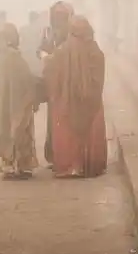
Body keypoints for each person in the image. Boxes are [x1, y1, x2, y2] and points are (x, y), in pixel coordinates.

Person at [44, 15, 107, 178]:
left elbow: (51, 72)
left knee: (68, 133)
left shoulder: (62, 50)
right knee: (89, 132)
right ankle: (87, 165)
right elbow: (99, 75)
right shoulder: (94, 50)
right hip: (90, 103)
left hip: (67, 102)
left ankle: (70, 165)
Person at [0, 22, 39, 179]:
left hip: (3, 102)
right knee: (19, 129)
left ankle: (9, 164)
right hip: (16, 101)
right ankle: (21, 165)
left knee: (6, 129)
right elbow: (26, 77)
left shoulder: (0, 55)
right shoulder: (13, 56)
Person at [37, 1, 74, 166]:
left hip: (69, 82)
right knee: (54, 119)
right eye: (56, 16)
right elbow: (41, 49)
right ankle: (55, 153)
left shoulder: (73, 33)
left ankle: (67, 154)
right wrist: (44, 55)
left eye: (61, 17)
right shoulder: (48, 32)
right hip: (54, 82)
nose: (58, 20)